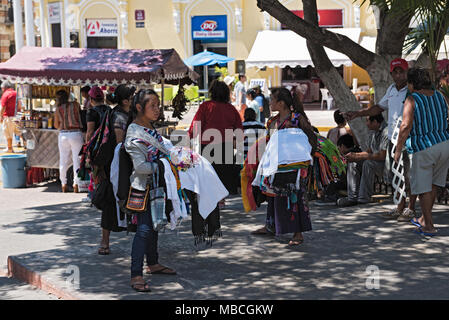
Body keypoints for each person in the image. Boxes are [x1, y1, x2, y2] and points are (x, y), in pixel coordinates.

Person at [343, 58, 417, 220]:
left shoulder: (412, 91)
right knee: (395, 176)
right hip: (393, 140)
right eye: (395, 72)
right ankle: (399, 207)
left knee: (408, 175)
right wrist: (358, 113)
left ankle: (410, 208)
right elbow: (379, 107)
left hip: (408, 139)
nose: (398, 75)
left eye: (401, 72)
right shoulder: (391, 89)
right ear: (391, 74)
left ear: (406, 72)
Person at [251, 87, 317, 246]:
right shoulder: (272, 122)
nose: (270, 103)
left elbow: (311, 138)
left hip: (295, 167)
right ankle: (271, 225)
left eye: (272, 100)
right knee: (273, 195)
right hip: (276, 165)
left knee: (295, 196)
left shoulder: (296, 119)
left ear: (281, 103)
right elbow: (269, 143)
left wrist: (306, 159)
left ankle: (298, 233)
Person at [125, 89, 176, 292]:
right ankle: (135, 274)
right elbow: (140, 167)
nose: (157, 110)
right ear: (139, 108)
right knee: (144, 230)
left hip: (156, 186)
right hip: (144, 188)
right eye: (152, 106)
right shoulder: (134, 133)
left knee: (154, 227)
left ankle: (153, 263)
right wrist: (166, 165)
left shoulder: (148, 128)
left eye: (158, 105)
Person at [394, 68, 449, 236]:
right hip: (444, 144)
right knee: (432, 184)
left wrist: (397, 149)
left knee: (423, 188)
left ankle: (429, 226)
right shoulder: (441, 96)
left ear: (412, 83)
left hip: (424, 147)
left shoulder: (412, 99)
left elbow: (405, 126)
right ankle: (425, 219)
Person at [188, 80, 243, 200]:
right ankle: (221, 200)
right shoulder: (231, 109)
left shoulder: (205, 106)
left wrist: (188, 138)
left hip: (207, 147)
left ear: (212, 92)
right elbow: (239, 130)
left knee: (209, 176)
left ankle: (212, 202)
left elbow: (196, 126)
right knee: (223, 176)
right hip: (226, 147)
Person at [97, 85, 134, 256]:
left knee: (116, 202)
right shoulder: (119, 116)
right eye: (133, 97)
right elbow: (120, 145)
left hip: (119, 163)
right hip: (116, 165)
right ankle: (104, 242)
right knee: (111, 202)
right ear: (126, 101)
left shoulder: (124, 113)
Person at [337, 114, 388, 207]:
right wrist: (355, 156)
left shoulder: (386, 132)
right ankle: (352, 197)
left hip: (386, 165)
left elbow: (382, 156)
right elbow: (369, 151)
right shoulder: (373, 132)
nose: (366, 124)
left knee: (368, 163)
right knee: (353, 162)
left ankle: (363, 198)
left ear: (375, 122)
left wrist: (361, 156)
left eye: (368, 121)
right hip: (376, 161)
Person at [53, 90, 84, 193]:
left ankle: (63, 184)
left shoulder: (58, 109)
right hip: (76, 133)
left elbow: (56, 125)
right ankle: (76, 183)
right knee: (77, 160)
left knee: (63, 160)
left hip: (63, 135)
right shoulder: (75, 105)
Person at [1, 80, 21, 153]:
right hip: (16, 116)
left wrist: (0, 116)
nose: (2, 90)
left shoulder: (5, 94)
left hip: (8, 117)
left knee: (8, 133)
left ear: (4, 88)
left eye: (2, 88)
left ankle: (9, 149)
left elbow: (3, 107)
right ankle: (27, 146)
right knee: (19, 132)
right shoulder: (16, 93)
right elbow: (19, 105)